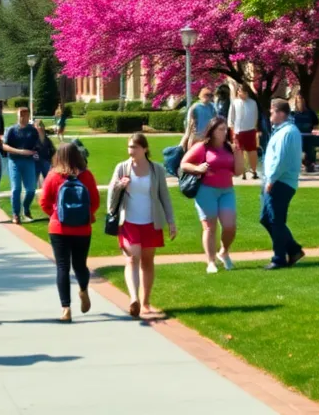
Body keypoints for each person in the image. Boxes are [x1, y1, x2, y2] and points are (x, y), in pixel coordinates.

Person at [108, 134, 177, 317]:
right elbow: (111, 194)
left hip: (151, 222)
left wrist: (171, 221)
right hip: (129, 221)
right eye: (129, 147)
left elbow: (165, 197)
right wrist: (119, 186)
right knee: (131, 258)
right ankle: (133, 299)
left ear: (145, 149)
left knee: (147, 261)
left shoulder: (157, 170)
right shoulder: (122, 168)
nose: (131, 151)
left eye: (135, 147)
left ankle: (145, 301)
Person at [38, 142, 100, 322]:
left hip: (59, 228)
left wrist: (56, 215)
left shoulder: (53, 176)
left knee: (62, 267)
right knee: (80, 264)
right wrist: (85, 215)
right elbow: (95, 201)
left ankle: (66, 308)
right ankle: (83, 288)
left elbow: (43, 201)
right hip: (82, 228)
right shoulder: (86, 176)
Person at [180, 118, 243, 274]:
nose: (223, 133)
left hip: (227, 190)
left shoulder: (229, 148)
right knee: (209, 227)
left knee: (230, 226)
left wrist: (238, 153)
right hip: (206, 190)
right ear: (212, 131)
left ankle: (224, 251)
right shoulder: (202, 147)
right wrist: (198, 168)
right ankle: (211, 261)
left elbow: (239, 171)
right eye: (220, 129)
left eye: (224, 129)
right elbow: (183, 164)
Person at [261, 99, 305, 270]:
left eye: (272, 112)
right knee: (266, 218)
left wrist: (271, 180)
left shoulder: (288, 132)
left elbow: (281, 160)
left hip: (281, 182)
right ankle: (293, 249)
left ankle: (279, 258)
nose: (270, 115)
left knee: (275, 220)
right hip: (274, 180)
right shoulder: (281, 131)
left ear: (280, 113)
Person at [2, 106, 41, 223]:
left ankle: (26, 207)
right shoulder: (11, 130)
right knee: (16, 189)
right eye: (21, 115)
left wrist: (35, 151)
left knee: (30, 189)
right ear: (17, 116)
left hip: (29, 161)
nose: (23, 118)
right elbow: (4, 146)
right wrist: (20, 151)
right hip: (14, 161)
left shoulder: (32, 130)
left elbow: (37, 144)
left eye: (25, 115)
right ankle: (16, 214)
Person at [227, 85, 260, 180]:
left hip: (250, 130)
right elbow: (231, 117)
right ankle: (243, 172)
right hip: (238, 131)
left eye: (244, 93)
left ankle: (254, 171)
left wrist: (255, 128)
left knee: (252, 151)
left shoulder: (252, 103)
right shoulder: (235, 103)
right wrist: (232, 128)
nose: (242, 94)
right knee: (239, 152)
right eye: (240, 92)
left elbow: (255, 116)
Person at [292, 93, 319, 171]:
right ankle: (309, 162)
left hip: (309, 135)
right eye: (298, 101)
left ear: (304, 101)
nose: (300, 103)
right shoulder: (293, 115)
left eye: (301, 100)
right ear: (295, 102)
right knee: (308, 143)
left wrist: (316, 133)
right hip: (297, 138)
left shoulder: (311, 113)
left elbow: (316, 128)